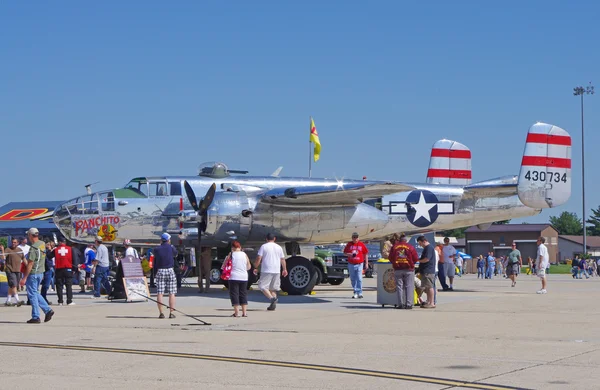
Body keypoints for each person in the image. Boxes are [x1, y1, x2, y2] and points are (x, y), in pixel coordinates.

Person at [20, 228, 54, 324]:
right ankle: (47, 310)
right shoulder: (42, 244)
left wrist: (24, 278)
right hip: (40, 272)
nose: (28, 237)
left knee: (32, 295)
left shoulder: (33, 248)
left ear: (31, 235)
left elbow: (30, 264)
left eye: (28, 235)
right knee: (35, 293)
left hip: (33, 273)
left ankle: (36, 316)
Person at [254, 233, 288, 310]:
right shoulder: (279, 247)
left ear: (266, 239)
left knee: (262, 286)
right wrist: (285, 269)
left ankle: (272, 299)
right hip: (276, 270)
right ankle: (273, 305)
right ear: (274, 239)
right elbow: (282, 259)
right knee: (273, 289)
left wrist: (255, 266)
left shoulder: (264, 246)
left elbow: (259, 257)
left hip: (267, 269)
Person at [388, 234, 418, 309]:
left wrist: (395, 263)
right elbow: (415, 258)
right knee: (409, 286)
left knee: (399, 287)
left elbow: (390, 258)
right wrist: (411, 264)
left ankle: (400, 304)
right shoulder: (410, 247)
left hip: (398, 269)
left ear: (399, 240)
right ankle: (408, 304)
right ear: (406, 240)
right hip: (408, 269)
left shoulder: (394, 247)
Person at [153, 233, 178, 318]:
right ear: (168, 240)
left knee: (160, 293)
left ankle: (161, 313)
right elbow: (176, 254)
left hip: (160, 270)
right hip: (170, 270)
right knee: (172, 293)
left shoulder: (156, 249)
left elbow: (155, 261)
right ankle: (171, 312)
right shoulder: (171, 248)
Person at [227, 241, 251, 317]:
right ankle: (244, 313)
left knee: (234, 294)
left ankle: (236, 313)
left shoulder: (231, 255)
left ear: (232, 248)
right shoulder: (244, 254)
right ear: (240, 247)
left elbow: (225, 265)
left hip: (233, 277)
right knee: (243, 294)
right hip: (244, 277)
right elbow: (249, 266)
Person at [343, 232, 369, 299]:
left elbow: (366, 253)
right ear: (352, 238)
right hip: (351, 264)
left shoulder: (361, 244)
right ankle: (355, 292)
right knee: (353, 279)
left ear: (358, 238)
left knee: (359, 278)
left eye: (356, 237)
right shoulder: (349, 244)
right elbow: (345, 253)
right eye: (354, 237)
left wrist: (366, 263)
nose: (355, 238)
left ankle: (360, 292)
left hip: (359, 263)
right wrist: (350, 254)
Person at [0, 238, 25, 306]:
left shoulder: (20, 250)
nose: (13, 243)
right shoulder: (8, 249)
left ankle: (8, 300)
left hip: (17, 270)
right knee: (13, 285)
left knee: (13, 286)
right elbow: (3, 258)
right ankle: (18, 300)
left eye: (15, 242)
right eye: (12, 242)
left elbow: (24, 259)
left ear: (17, 243)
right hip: (10, 270)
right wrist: (2, 250)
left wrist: (28, 266)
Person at [416, 236, 436, 308]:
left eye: (420, 243)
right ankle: (428, 301)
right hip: (426, 271)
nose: (420, 245)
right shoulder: (427, 248)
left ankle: (431, 302)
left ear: (424, 241)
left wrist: (418, 260)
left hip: (428, 271)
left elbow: (426, 259)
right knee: (427, 287)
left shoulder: (429, 248)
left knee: (429, 287)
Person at [54, 237, 75, 306]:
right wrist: (74, 269)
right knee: (69, 285)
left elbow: (49, 256)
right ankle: (69, 301)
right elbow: (74, 259)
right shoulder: (70, 249)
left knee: (59, 286)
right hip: (68, 269)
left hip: (59, 269)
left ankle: (60, 301)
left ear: (59, 242)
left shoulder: (56, 250)